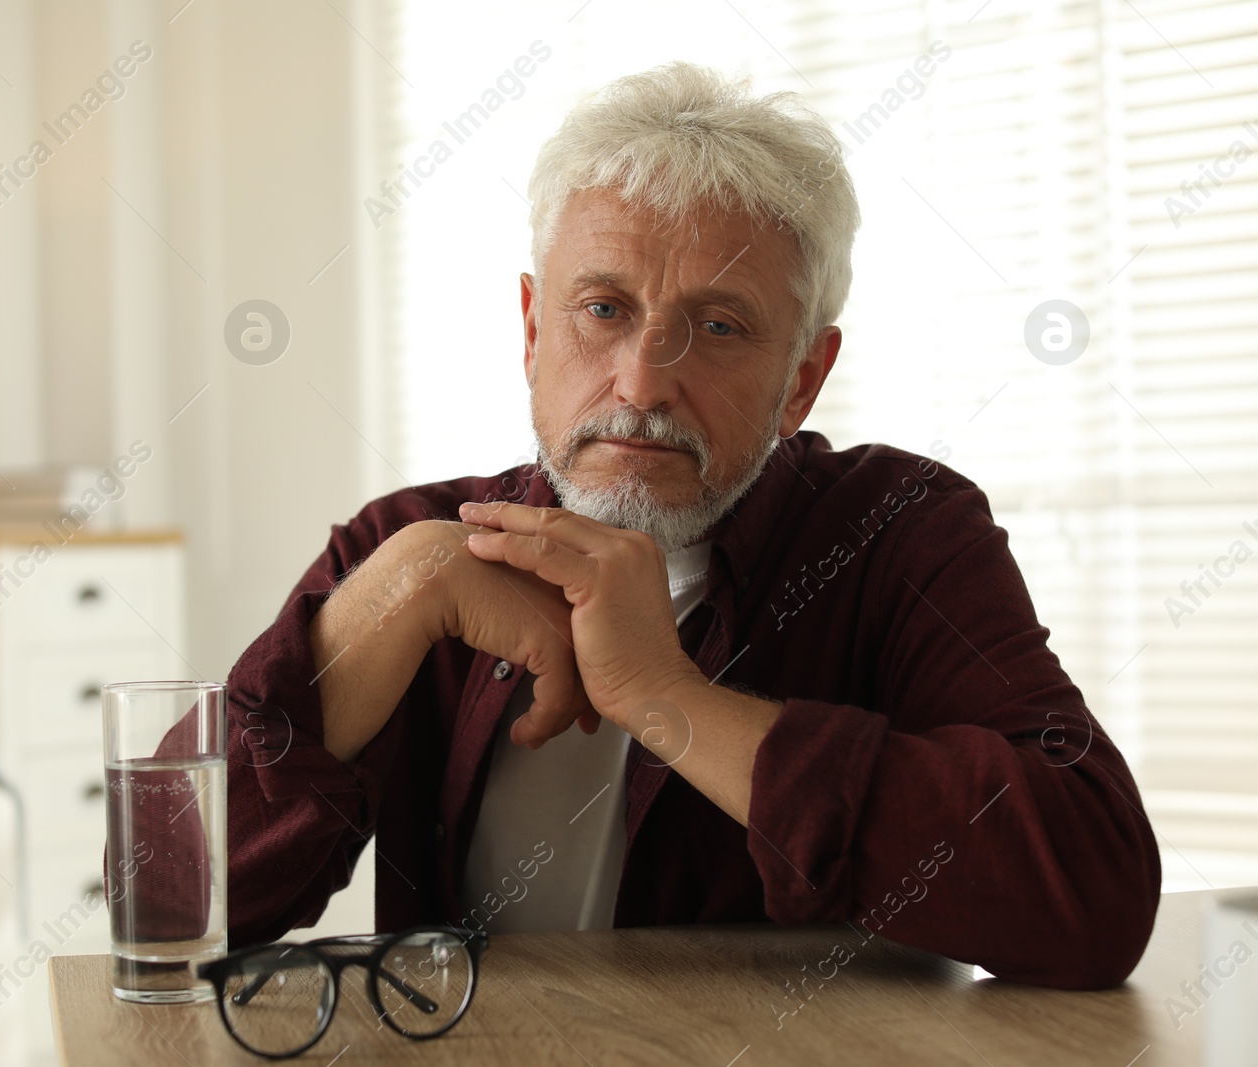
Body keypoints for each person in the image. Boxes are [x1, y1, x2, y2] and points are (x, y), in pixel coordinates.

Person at [149, 61, 1160, 990]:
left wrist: (662, 693)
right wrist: (399, 588)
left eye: (718, 327)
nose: (640, 383)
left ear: (802, 376)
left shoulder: (898, 532)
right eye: (602, 309)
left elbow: (1095, 897)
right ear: (533, 329)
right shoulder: (408, 541)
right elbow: (162, 907)